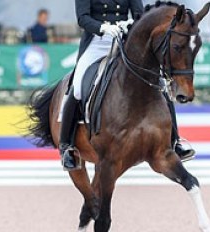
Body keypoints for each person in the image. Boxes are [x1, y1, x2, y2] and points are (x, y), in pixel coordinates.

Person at [59, 0, 195, 170]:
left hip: (124, 40)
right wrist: (103, 28)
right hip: (96, 42)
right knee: (78, 87)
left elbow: (139, 14)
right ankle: (66, 146)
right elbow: (83, 19)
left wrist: (130, 23)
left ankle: (175, 142)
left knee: (159, 83)